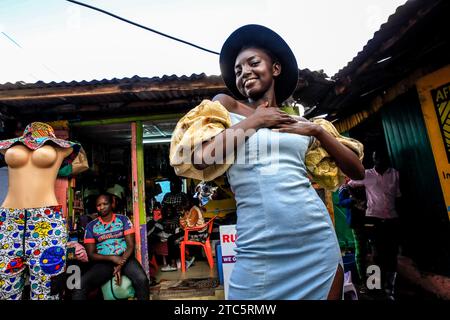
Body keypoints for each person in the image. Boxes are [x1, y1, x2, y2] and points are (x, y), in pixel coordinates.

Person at [169, 25, 365, 299]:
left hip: (315, 240)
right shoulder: (226, 107)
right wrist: (258, 120)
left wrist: (318, 131)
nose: (244, 72)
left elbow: (357, 170)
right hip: (258, 247)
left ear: (274, 69)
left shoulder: (299, 122)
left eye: (253, 63)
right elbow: (202, 158)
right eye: (238, 70)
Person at [0, 122, 81, 300]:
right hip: (9, 221)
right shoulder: (10, 147)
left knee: (46, 288)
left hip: (46, 221)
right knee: (6, 288)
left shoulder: (61, 148)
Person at [71, 194, 149, 300]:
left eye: (105, 204)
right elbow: (91, 254)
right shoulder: (91, 226)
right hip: (104, 261)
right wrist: (112, 258)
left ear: (112, 204)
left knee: (142, 279)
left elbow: (130, 246)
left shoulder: (123, 220)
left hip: (125, 258)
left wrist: (120, 264)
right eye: (99, 205)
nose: (102, 207)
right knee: (79, 287)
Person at [349, 149, 401, 299]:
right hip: (373, 219)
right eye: (375, 158)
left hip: (392, 219)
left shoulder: (395, 174)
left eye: (381, 158)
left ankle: (389, 290)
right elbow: (347, 186)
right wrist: (358, 201)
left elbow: (398, 196)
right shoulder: (366, 174)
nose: (378, 161)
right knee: (375, 254)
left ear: (386, 159)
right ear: (373, 159)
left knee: (391, 255)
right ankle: (374, 287)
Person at [338, 180, 368, 286]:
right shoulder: (345, 186)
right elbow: (341, 202)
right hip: (356, 221)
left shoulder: (368, 179)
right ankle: (364, 282)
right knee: (360, 252)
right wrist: (352, 200)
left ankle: (374, 283)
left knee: (374, 251)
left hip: (372, 218)